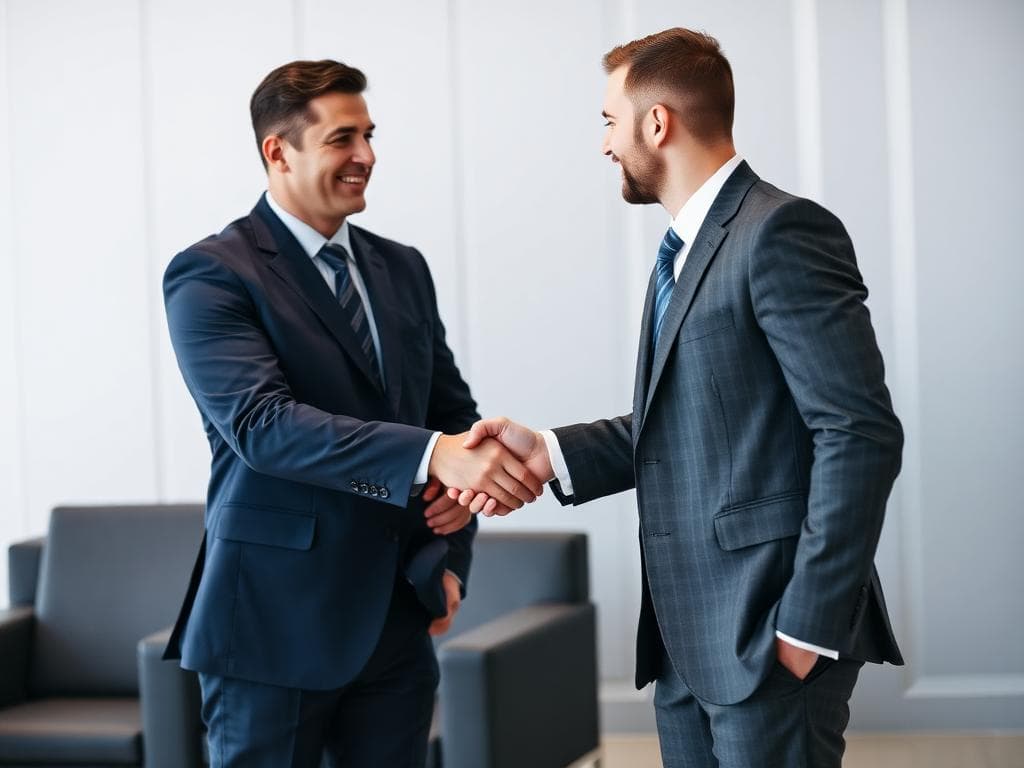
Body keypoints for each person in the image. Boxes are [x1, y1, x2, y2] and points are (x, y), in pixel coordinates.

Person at [456, 28, 904, 768]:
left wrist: (805, 626)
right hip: (684, 642)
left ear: (656, 122)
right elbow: (689, 428)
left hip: (766, 636)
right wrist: (551, 452)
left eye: (609, 120)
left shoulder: (780, 232)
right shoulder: (686, 251)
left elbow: (859, 432)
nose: (604, 143)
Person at [161, 59, 543, 767]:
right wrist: (433, 457)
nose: (366, 156)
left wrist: (450, 556)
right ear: (278, 151)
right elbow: (262, 428)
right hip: (272, 626)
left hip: (398, 619)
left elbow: (453, 417)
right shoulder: (212, 272)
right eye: (343, 138)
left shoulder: (403, 267)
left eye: (368, 135)